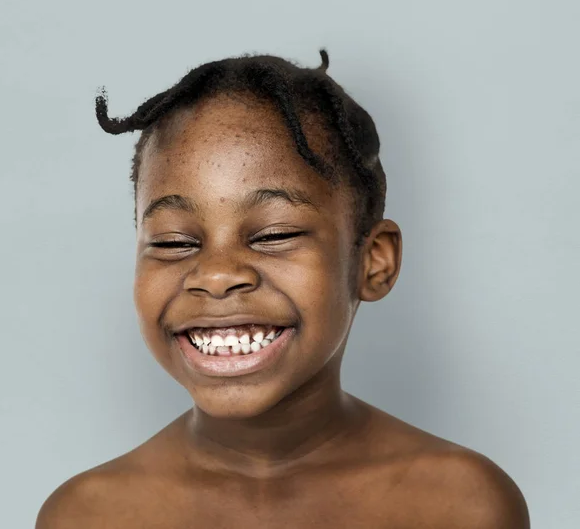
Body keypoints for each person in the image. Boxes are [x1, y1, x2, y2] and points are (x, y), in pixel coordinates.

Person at [36, 49, 530, 528]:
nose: (215, 274)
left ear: (373, 262)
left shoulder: (463, 505)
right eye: (174, 241)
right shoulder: (86, 516)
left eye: (274, 235)